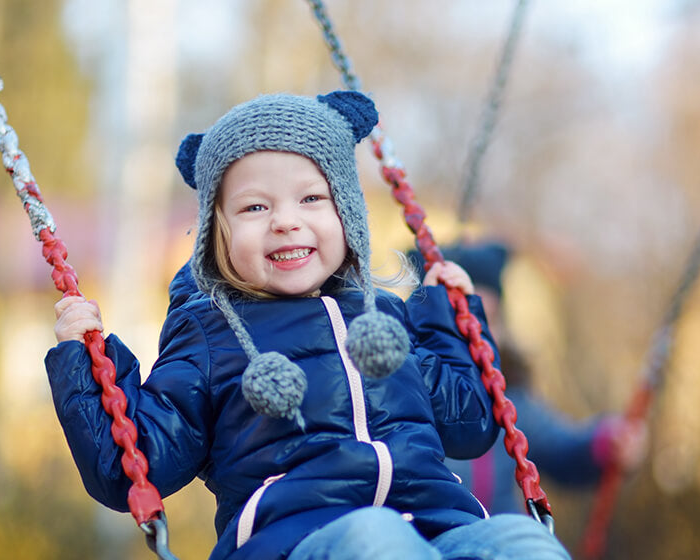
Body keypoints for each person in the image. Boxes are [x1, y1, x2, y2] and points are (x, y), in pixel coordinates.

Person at [45, 91, 570, 560]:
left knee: (521, 541)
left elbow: (471, 424)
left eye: (311, 198)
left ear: (348, 213)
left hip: (438, 528)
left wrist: (448, 317)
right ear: (216, 235)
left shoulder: (383, 319)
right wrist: (87, 361)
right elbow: (133, 464)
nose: (285, 220)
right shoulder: (209, 336)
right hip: (296, 539)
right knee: (375, 537)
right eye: (254, 206)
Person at [409, 242, 648, 515]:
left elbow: (561, 450)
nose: (473, 331)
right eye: (457, 318)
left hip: (497, 535)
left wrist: (606, 444)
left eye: (487, 319)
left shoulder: (510, 401)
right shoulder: (406, 397)